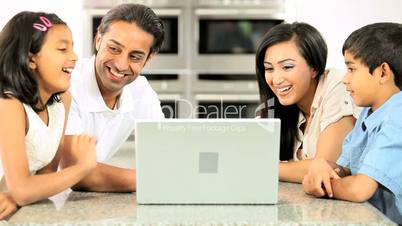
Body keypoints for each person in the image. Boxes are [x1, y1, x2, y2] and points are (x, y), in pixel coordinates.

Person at [302, 22, 402, 224]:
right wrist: (322, 167)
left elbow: (359, 190)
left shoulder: (397, 116)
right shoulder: (368, 112)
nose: (345, 80)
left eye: (351, 69)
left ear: (382, 72)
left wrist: (322, 186)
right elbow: (345, 168)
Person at [0, 12, 97, 219]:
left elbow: (46, 175)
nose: (74, 56)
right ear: (30, 59)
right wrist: (83, 168)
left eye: (72, 47)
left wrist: (17, 197)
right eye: (62, 49)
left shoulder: (62, 102)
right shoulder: (9, 104)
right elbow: (23, 189)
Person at [60, 3, 165, 192]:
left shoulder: (141, 91)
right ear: (99, 39)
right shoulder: (67, 84)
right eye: (114, 48)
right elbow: (76, 175)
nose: (120, 65)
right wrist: (150, 178)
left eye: (135, 57)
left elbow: (164, 152)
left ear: (148, 58)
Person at [255, 22, 359, 183]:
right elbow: (246, 152)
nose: (276, 79)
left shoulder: (339, 86)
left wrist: (260, 166)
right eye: (269, 69)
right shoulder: (281, 106)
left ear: (314, 68)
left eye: (287, 67)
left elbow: (323, 170)